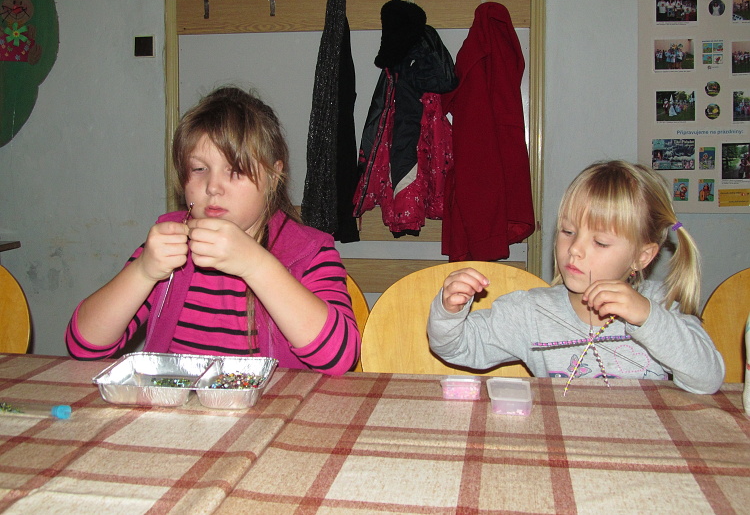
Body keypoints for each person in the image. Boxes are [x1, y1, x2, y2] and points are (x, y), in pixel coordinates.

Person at [66, 86, 361, 375]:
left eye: (236, 170)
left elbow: (340, 358)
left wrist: (257, 266)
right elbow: (84, 346)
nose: (213, 187)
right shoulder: (170, 244)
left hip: (272, 405)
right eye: (199, 169)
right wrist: (143, 271)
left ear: (274, 177)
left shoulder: (309, 252)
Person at [427, 160, 724, 394]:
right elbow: (456, 348)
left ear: (642, 256)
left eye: (600, 242)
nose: (575, 249)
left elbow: (708, 379)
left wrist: (648, 318)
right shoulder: (532, 313)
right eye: (568, 231)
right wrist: (449, 311)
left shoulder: (661, 305)